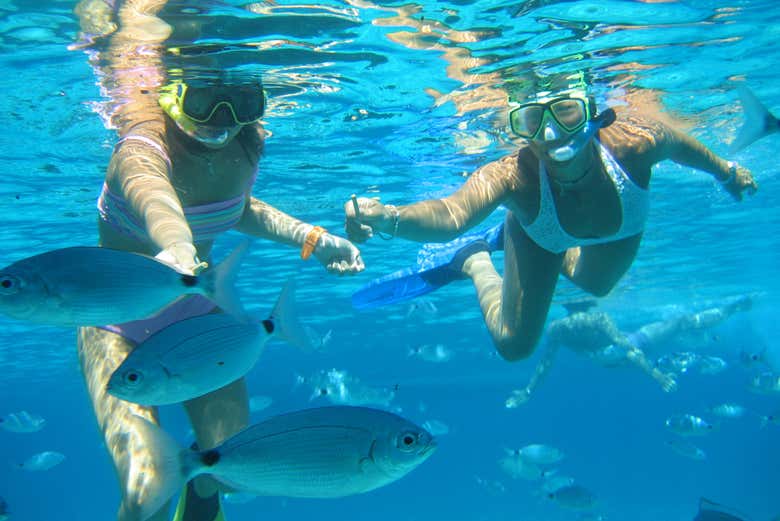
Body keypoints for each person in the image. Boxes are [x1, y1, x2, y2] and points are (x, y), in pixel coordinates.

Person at [71, 1, 364, 521]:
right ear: (172, 94)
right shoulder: (141, 146)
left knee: (229, 465)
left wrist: (313, 237)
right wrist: (178, 247)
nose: (222, 120)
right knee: (145, 494)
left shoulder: (244, 148)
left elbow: (239, 209)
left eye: (242, 102)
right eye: (204, 99)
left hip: (196, 316)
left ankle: (200, 497)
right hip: (115, 320)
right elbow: (154, 198)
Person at [344, 72, 758, 362]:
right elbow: (452, 214)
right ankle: (475, 259)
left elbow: (684, 147)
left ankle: (520, 244)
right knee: (514, 346)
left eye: (567, 111)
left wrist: (727, 172)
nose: (551, 132)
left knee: (596, 284)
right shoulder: (513, 176)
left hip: (612, 226)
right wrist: (388, 217)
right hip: (539, 233)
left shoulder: (635, 142)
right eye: (531, 120)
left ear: (594, 112)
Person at [505, 295, 753, 407]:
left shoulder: (557, 329)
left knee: (681, 326)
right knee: (681, 321)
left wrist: (528, 391)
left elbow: (545, 365)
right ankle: (729, 310)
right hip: (634, 344)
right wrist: (658, 375)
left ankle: (706, 328)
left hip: (610, 362)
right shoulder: (598, 319)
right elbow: (629, 348)